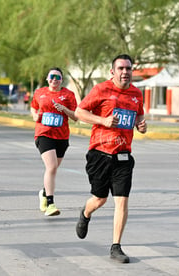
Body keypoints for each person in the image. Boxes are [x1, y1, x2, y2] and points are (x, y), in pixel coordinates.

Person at [75, 54, 147, 263]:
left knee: (122, 201)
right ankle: (86, 213)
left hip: (123, 155)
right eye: (121, 68)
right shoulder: (101, 89)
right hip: (99, 153)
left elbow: (139, 116)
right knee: (100, 199)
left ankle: (116, 247)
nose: (125, 72)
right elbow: (80, 112)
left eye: (128, 68)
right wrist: (103, 121)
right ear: (112, 71)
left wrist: (141, 125)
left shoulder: (136, 94)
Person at [30, 67, 77, 216]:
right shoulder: (40, 93)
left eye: (58, 77)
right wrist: (35, 115)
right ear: (47, 78)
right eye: (52, 76)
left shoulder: (68, 95)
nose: (54, 80)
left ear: (62, 80)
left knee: (54, 168)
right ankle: (50, 203)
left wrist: (64, 109)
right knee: (51, 167)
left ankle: (43, 193)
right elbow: (33, 107)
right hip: (44, 134)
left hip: (62, 136)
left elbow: (75, 116)